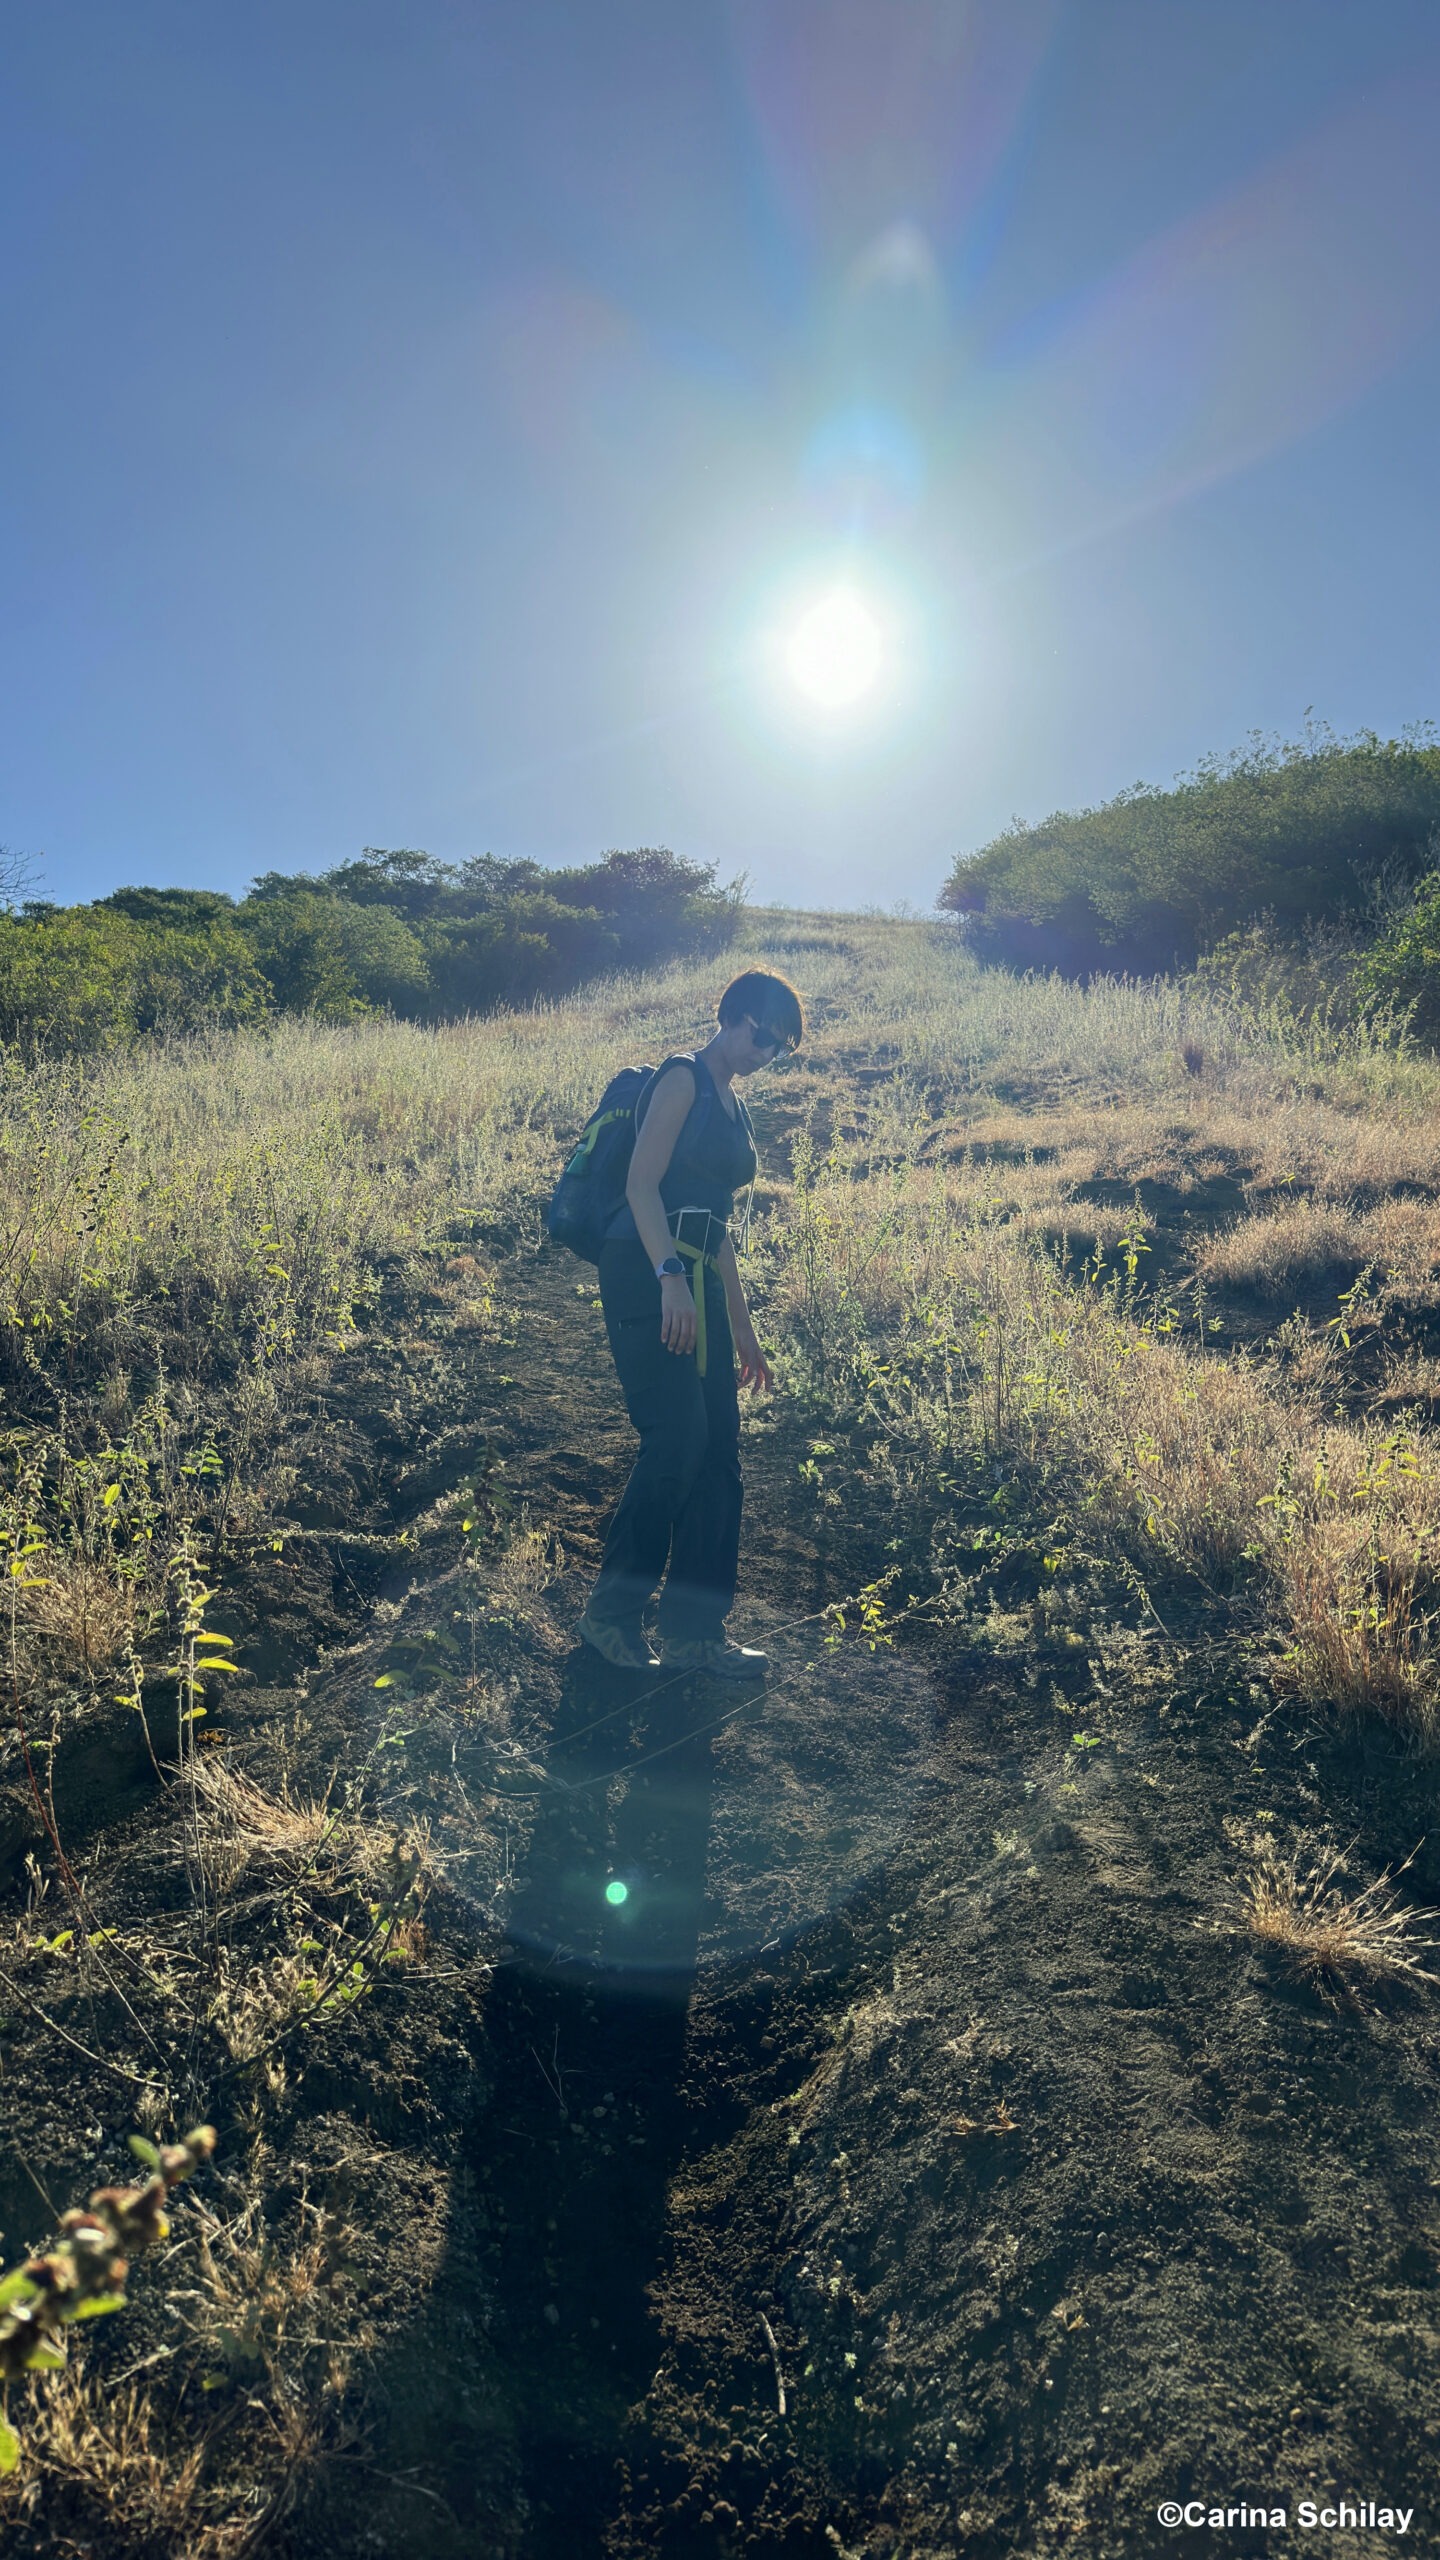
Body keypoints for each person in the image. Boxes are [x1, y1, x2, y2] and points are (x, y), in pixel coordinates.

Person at [577, 968, 804, 1677]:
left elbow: (721, 1228)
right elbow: (642, 1186)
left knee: (720, 1455)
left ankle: (696, 1634)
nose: (766, 1054)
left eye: (781, 1049)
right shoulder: (683, 1078)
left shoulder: (734, 1107)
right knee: (677, 1439)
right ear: (733, 1017)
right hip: (647, 1269)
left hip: (701, 1276)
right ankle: (609, 1617)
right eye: (762, 1036)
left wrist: (744, 1328)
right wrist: (669, 1276)